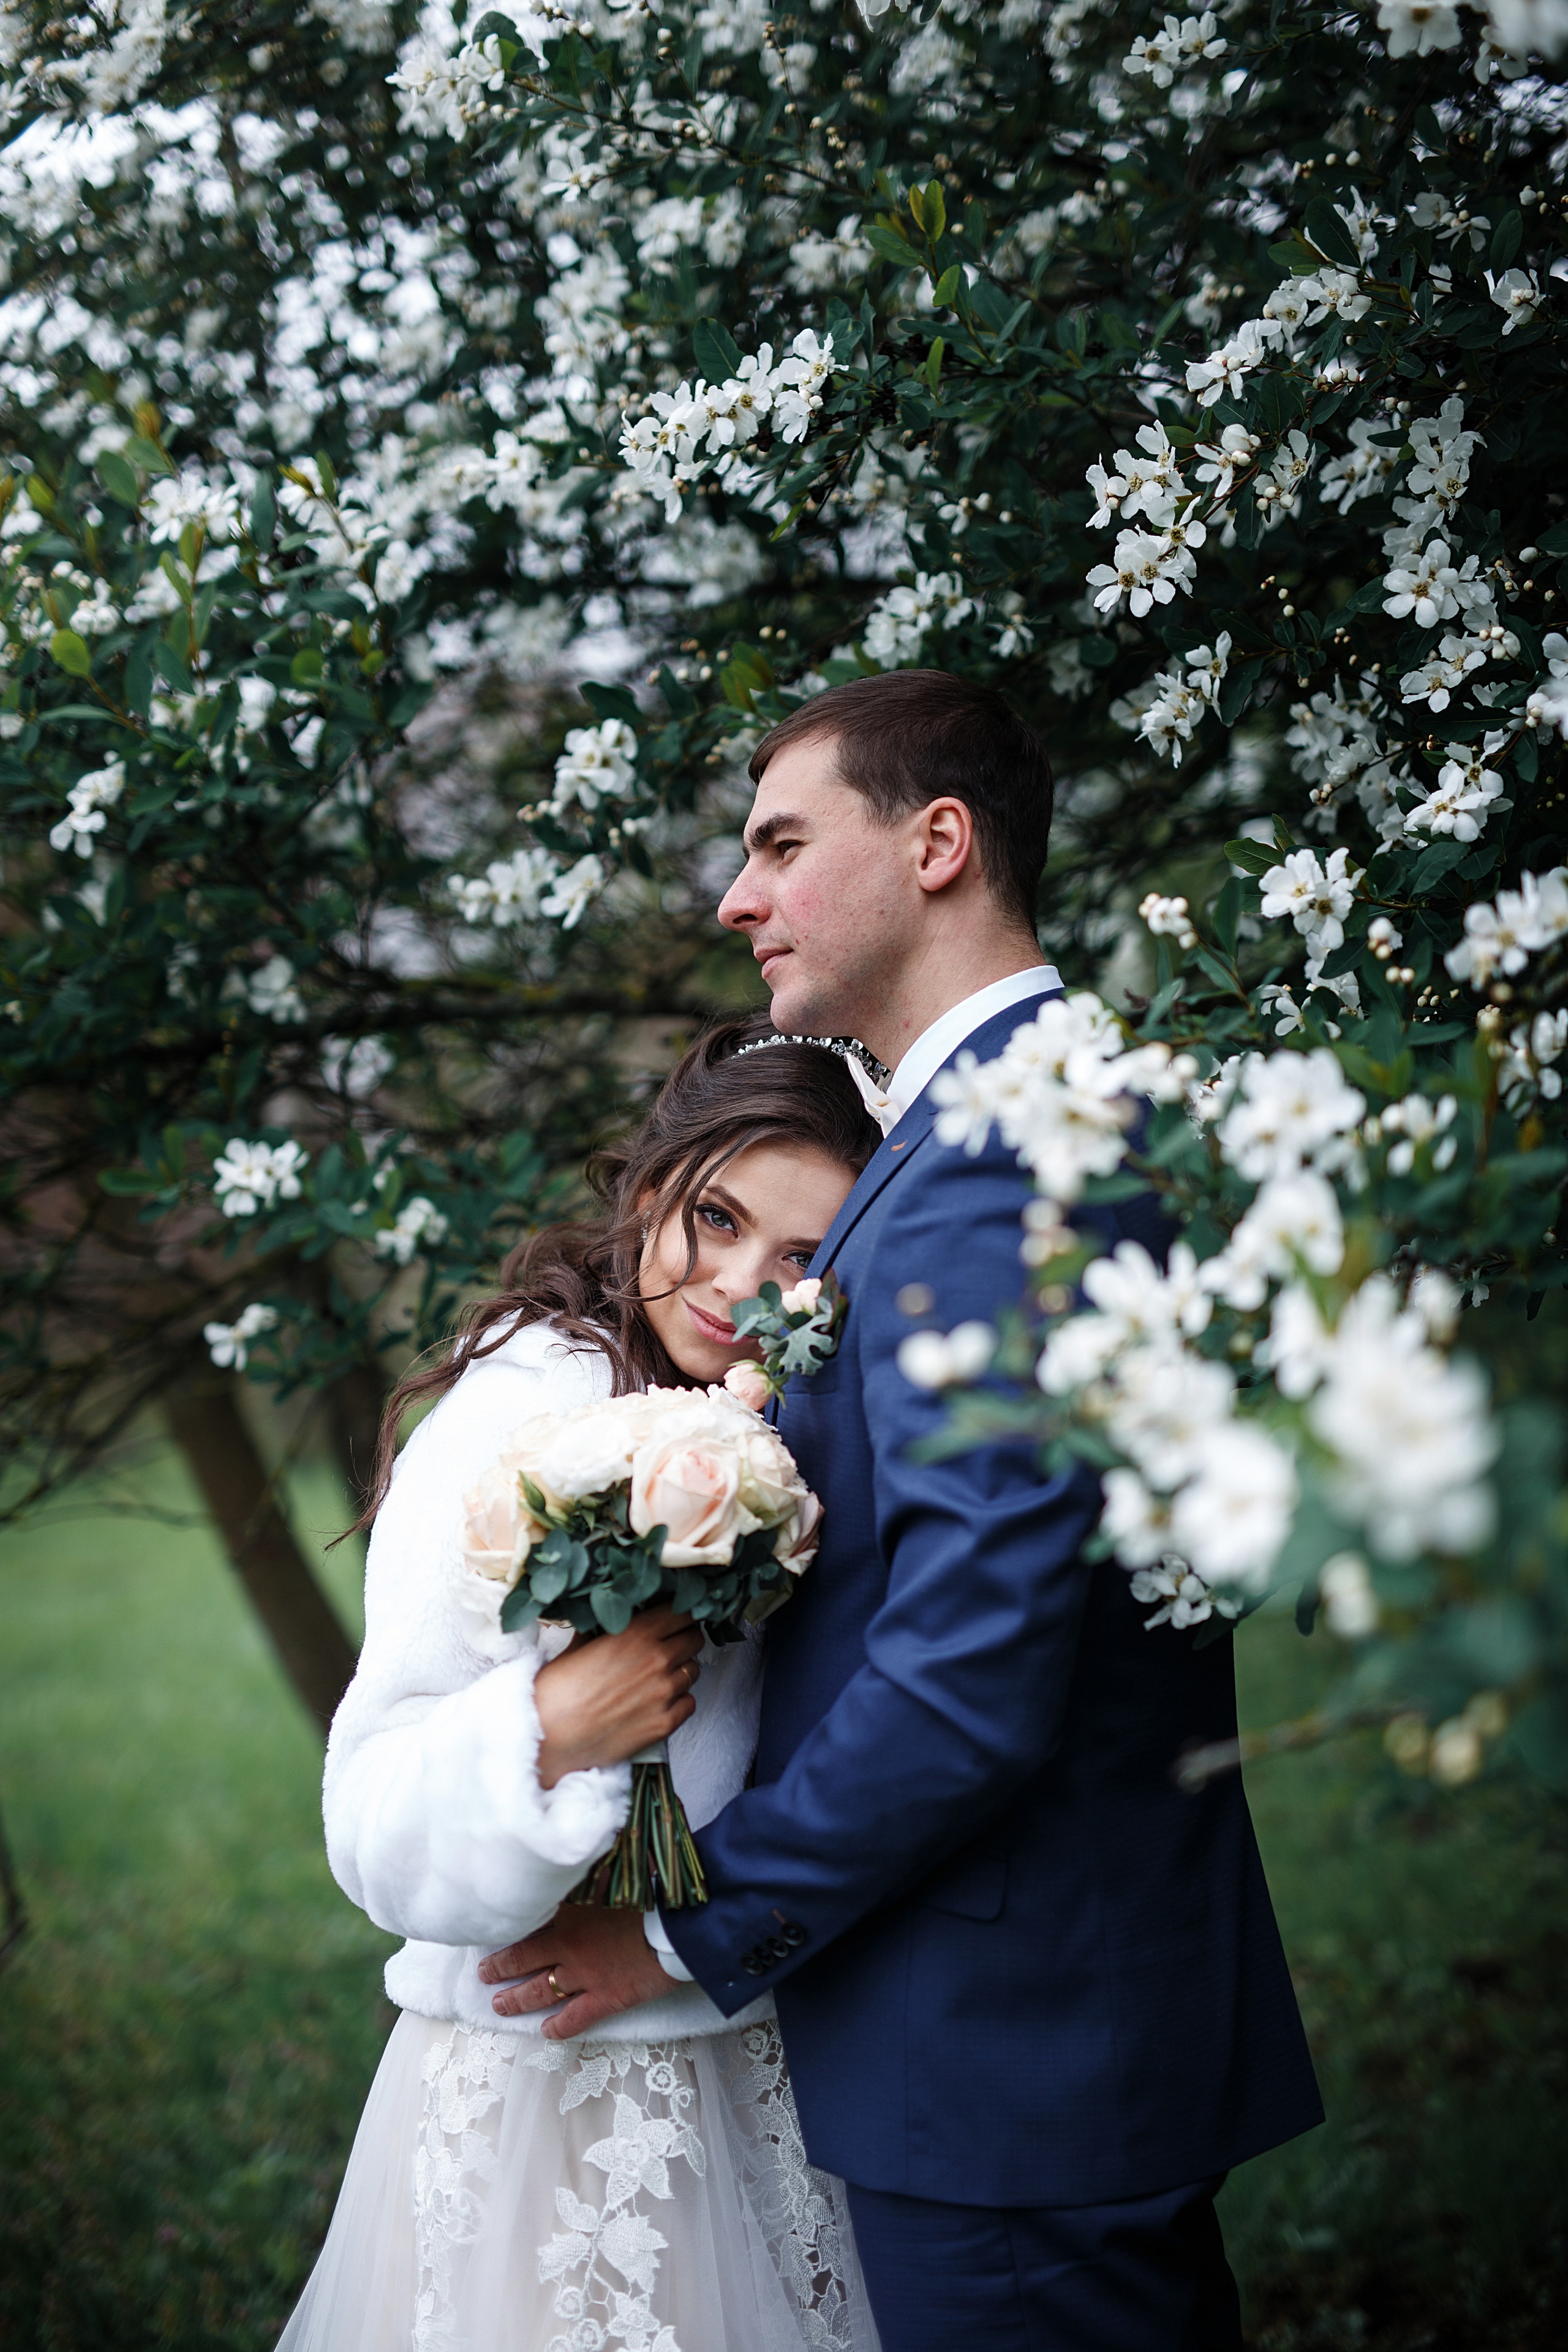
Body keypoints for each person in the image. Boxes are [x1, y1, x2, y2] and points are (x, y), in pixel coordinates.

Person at [482, 668, 1324, 2352]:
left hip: (1007, 2059)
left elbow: (967, 1673)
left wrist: (679, 1930)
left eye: (784, 844)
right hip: (1071, 2012)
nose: (739, 897)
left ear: (939, 844)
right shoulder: (1045, 1114)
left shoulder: (990, 1165)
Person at [274, 1016, 885, 2352]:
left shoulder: (799, 1425)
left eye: (799, 1258)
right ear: (652, 1186)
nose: (736, 1285)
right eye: (713, 1219)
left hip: (743, 2044)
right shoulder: (512, 1418)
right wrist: (546, 1732)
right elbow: (370, 1820)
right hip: (539, 2083)